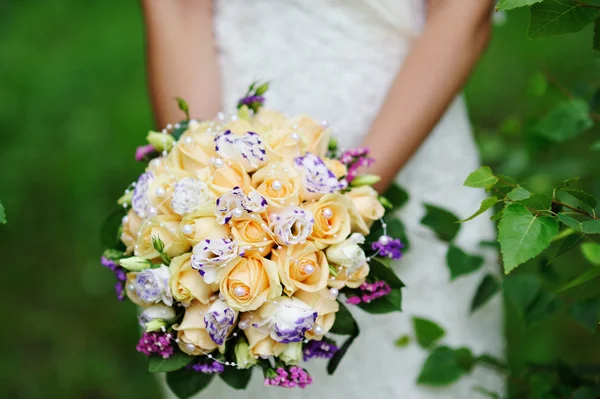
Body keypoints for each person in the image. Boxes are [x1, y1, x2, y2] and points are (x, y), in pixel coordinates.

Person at [141, 0, 503, 397]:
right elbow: (179, 9)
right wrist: (202, 183)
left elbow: (462, 11)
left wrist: (342, 206)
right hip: (230, 110)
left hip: (407, 116)